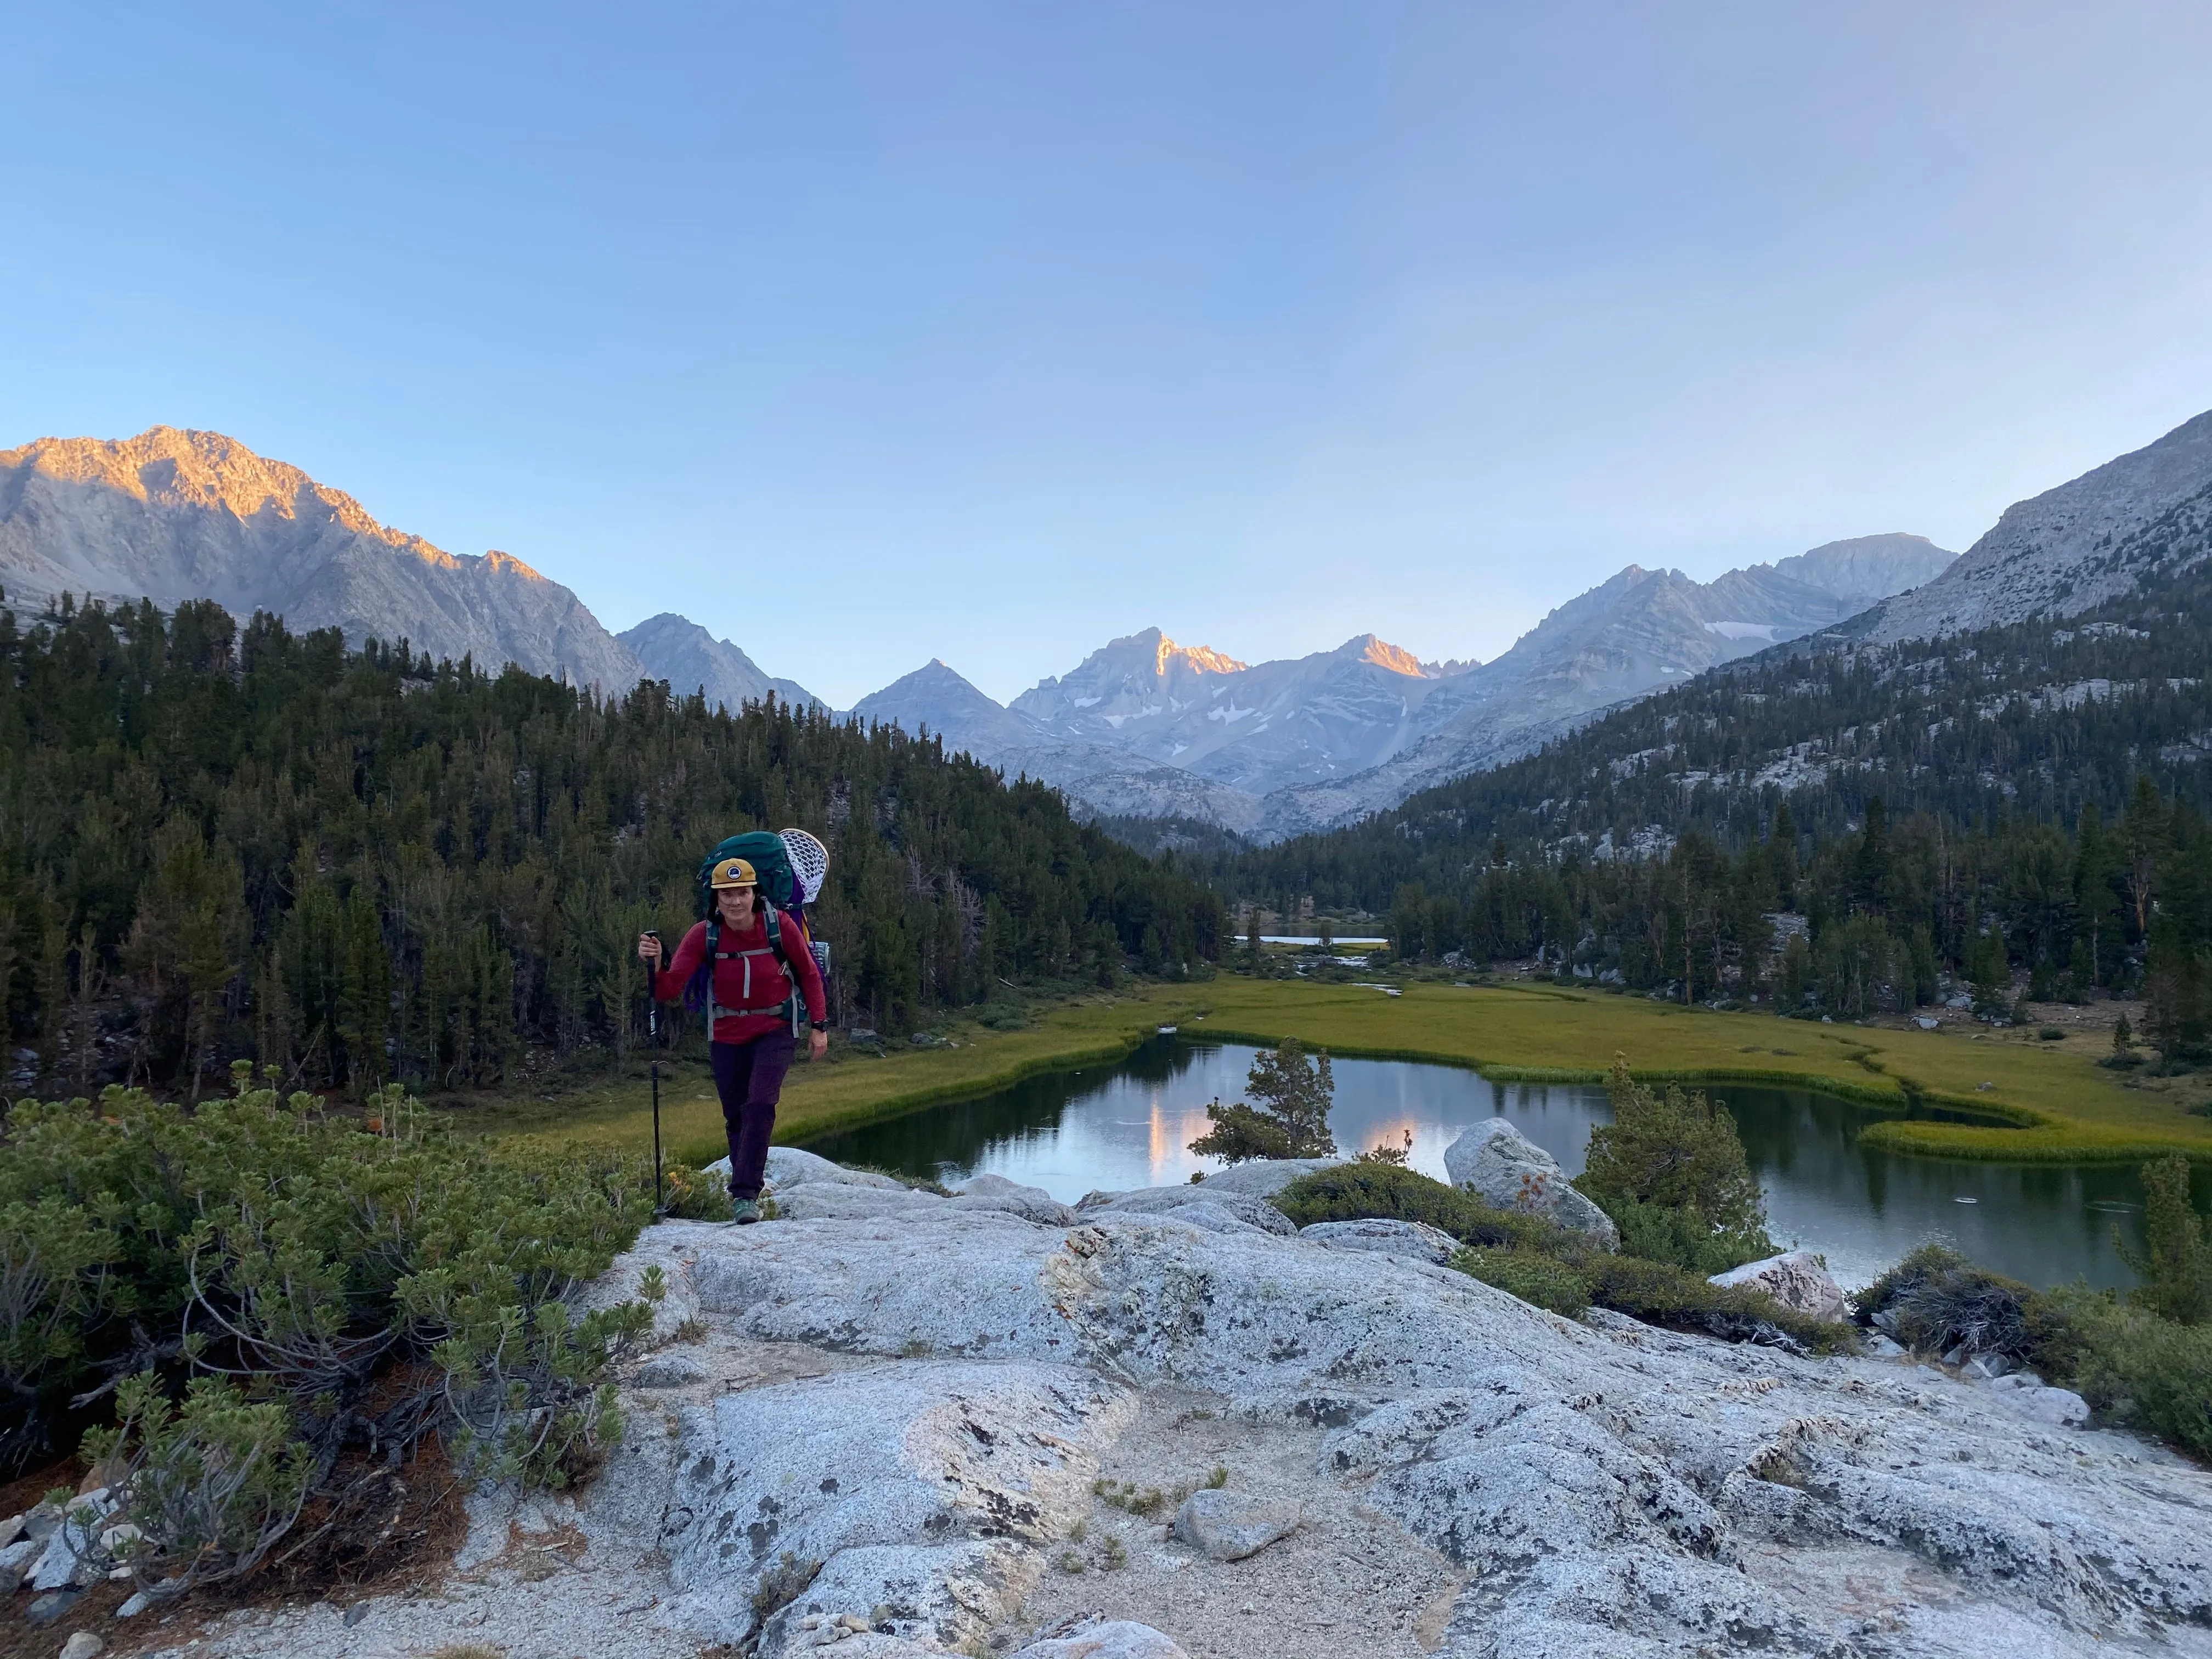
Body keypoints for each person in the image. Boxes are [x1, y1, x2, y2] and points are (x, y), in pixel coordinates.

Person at [639, 856, 827, 1223]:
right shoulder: (703, 934)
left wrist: (819, 1025)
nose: (735, 902)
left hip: (775, 1029)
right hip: (726, 1034)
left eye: (742, 893)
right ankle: (746, 1187)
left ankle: (745, 1194)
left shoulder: (780, 926)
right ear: (716, 898)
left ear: (755, 894)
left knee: (760, 1104)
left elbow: (809, 974)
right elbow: (668, 989)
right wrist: (657, 962)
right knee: (736, 1114)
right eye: (727, 894)